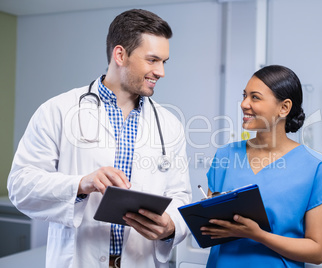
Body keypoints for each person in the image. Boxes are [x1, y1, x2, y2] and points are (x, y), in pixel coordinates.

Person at [7, 9, 192, 268]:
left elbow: (179, 195)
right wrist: (82, 184)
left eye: (164, 61)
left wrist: (171, 227)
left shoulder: (169, 125)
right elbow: (20, 186)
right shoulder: (58, 110)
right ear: (120, 55)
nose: (160, 71)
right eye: (152, 60)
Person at [200, 65, 322, 267]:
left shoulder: (317, 169)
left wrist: (258, 235)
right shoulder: (226, 155)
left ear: (284, 108)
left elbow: (318, 251)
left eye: (255, 97)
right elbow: (209, 227)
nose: (243, 104)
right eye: (244, 95)